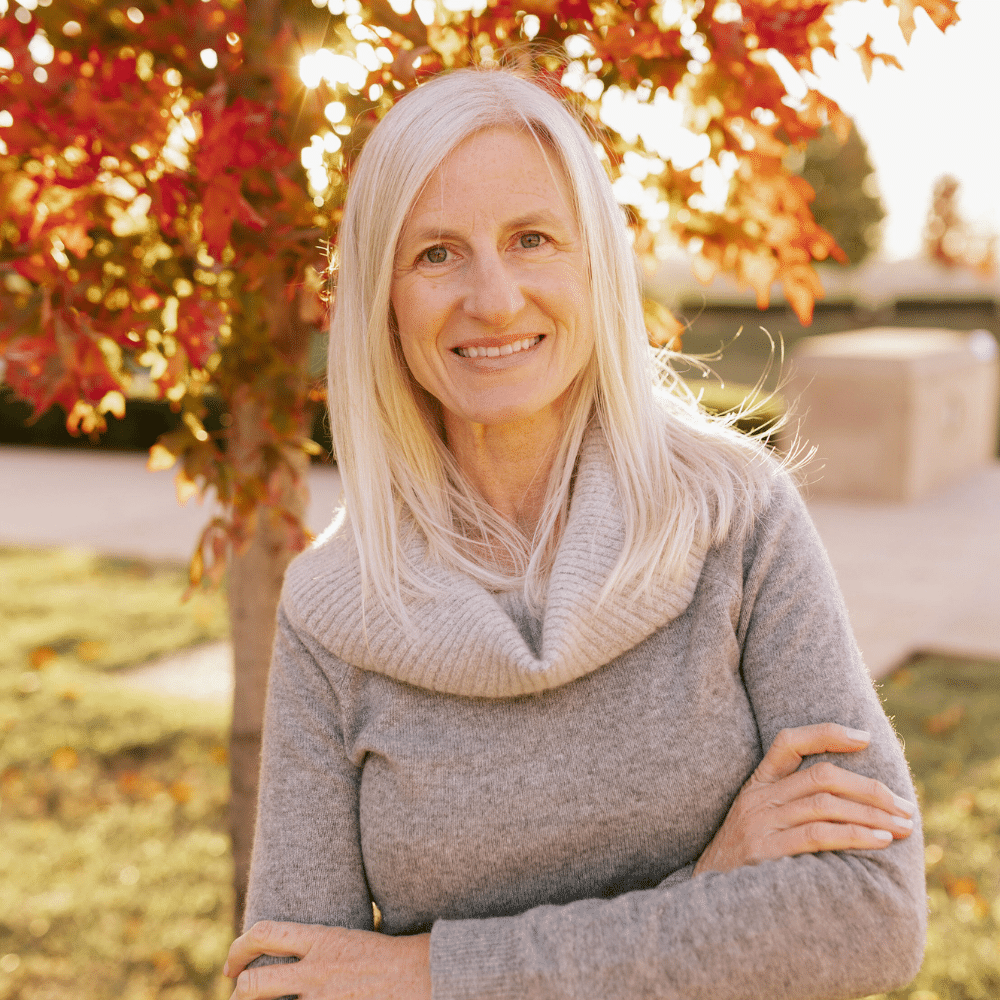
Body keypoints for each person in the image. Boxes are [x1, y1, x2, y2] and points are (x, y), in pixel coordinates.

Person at [225, 68, 925, 1000]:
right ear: (381, 298)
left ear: (594, 263)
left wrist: (427, 973)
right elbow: (293, 984)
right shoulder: (334, 608)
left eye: (532, 239)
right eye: (436, 253)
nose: (496, 298)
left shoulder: (734, 515)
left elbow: (871, 915)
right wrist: (708, 887)